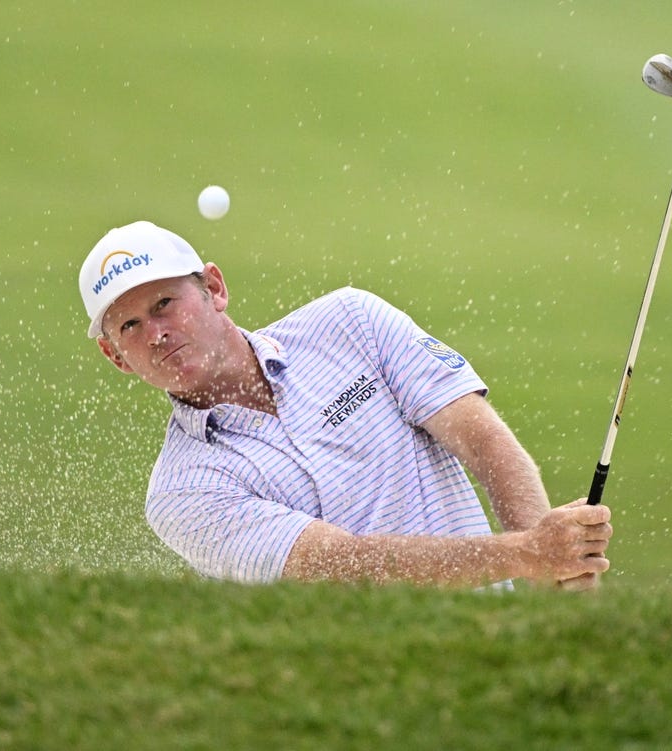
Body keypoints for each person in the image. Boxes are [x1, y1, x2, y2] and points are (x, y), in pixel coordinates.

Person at [78, 220, 612, 590]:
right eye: (130, 326)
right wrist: (527, 553)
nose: (156, 334)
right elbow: (340, 567)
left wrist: (555, 577)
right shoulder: (181, 491)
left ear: (214, 288)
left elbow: (483, 441)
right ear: (116, 356)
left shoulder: (350, 322)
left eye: (164, 304)